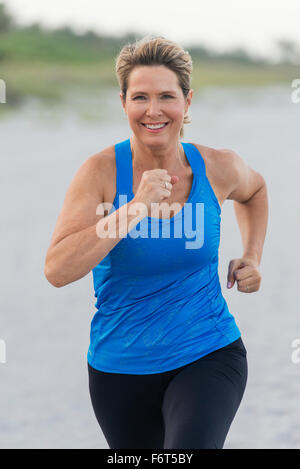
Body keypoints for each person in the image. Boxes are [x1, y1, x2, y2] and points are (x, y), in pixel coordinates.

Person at [44, 35, 268, 449]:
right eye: (139, 97)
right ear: (124, 103)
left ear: (187, 101)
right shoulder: (100, 173)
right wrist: (133, 209)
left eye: (166, 96)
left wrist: (252, 255)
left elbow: (255, 192)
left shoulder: (217, 166)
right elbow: (57, 270)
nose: (153, 110)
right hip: (120, 367)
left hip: (209, 350)